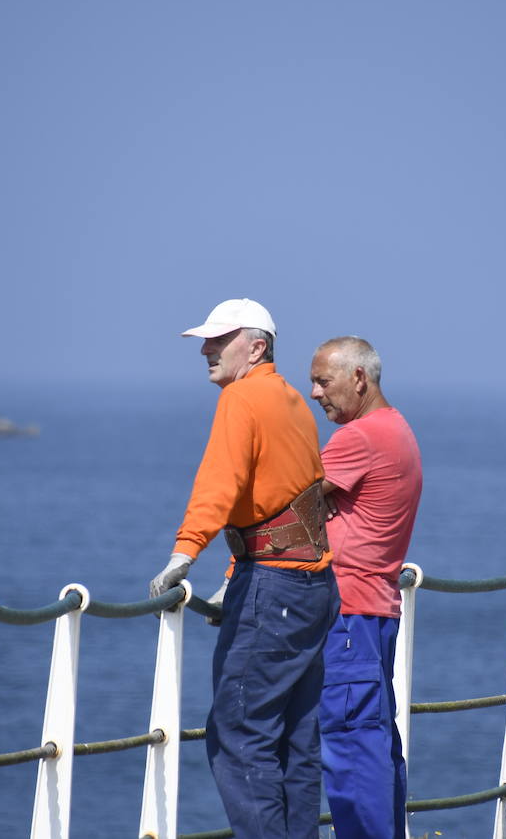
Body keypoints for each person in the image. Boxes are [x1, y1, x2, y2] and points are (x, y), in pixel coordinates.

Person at [149, 298, 340, 839]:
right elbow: (292, 497)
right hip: (314, 584)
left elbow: (221, 482)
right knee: (297, 740)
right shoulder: (292, 402)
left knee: (238, 732)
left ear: (256, 347)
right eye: (206, 340)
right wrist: (235, 572)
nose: (206, 349)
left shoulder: (241, 399)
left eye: (219, 339)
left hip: (274, 588)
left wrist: (185, 552)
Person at [309, 336, 423, 839]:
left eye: (323, 381)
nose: (314, 393)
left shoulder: (358, 438)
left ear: (359, 378)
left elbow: (290, 505)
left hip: (348, 612)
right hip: (376, 610)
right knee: (374, 742)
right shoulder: (398, 429)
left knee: (350, 744)